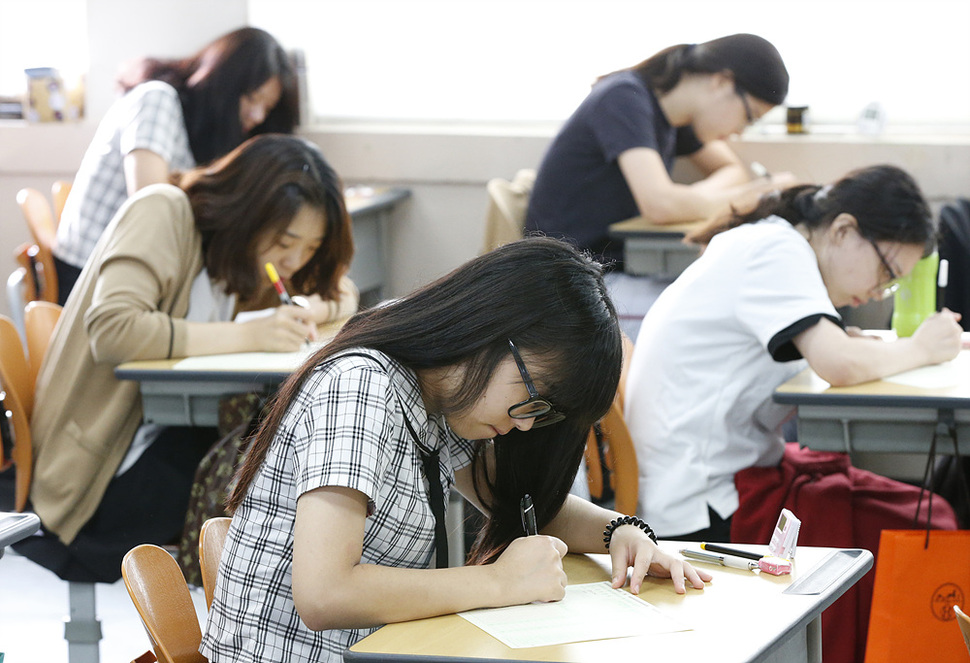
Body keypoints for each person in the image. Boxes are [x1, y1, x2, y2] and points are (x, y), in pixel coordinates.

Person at [199, 237, 711, 663]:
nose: (525, 426)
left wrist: (621, 531)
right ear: (491, 331)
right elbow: (325, 594)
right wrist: (497, 582)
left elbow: (513, 503)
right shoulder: (361, 387)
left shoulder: (439, 392)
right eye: (531, 400)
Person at [20, 134, 355, 582]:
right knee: (284, 479)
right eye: (284, 242)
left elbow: (343, 290)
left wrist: (313, 307)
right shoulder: (163, 211)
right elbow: (113, 329)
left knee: (295, 461)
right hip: (101, 478)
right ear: (247, 212)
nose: (294, 261)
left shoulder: (244, 256)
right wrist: (246, 334)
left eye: (310, 248)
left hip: (168, 440)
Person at [624, 164, 964, 542]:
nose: (876, 292)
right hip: (701, 502)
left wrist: (856, 346)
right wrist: (920, 348)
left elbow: (826, 355)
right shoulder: (777, 250)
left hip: (720, 476)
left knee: (928, 513)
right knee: (928, 525)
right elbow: (838, 364)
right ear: (843, 230)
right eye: (885, 273)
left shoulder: (776, 243)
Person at [525, 33, 795, 338]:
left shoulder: (675, 118)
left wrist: (689, 199)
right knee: (736, 317)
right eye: (748, 117)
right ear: (721, 81)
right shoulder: (624, 97)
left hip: (612, 274)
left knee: (743, 299)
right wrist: (752, 195)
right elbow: (660, 204)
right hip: (572, 286)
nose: (739, 132)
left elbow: (731, 169)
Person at [53, 26, 300, 303]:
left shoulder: (206, 134)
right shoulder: (158, 100)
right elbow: (152, 209)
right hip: (89, 278)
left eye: (266, 109)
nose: (256, 116)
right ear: (222, 82)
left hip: (130, 272)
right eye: (252, 98)